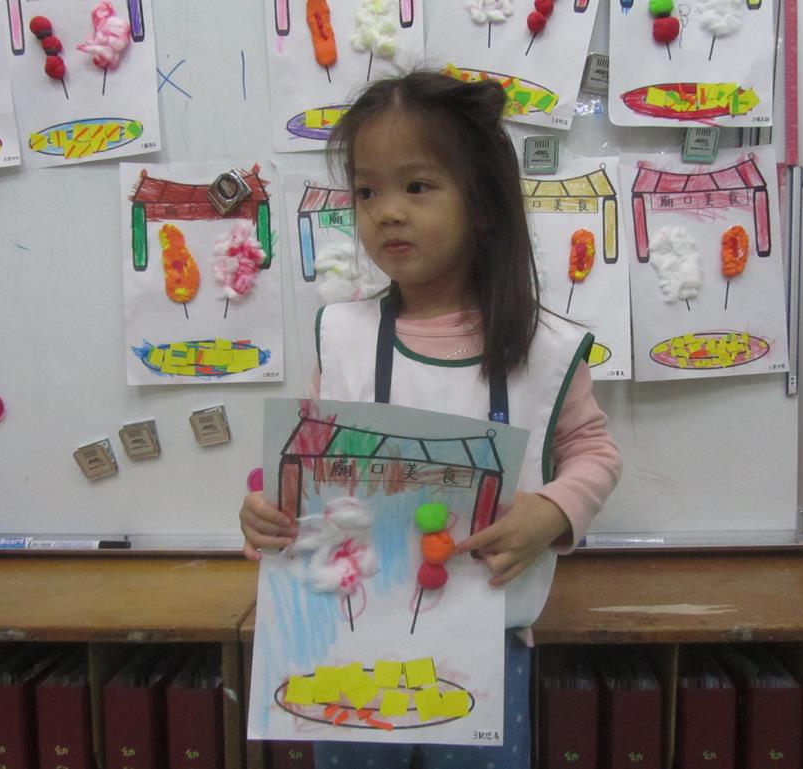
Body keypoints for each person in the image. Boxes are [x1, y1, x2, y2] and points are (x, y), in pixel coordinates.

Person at [239, 70, 622, 769]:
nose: (387, 212)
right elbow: (306, 459)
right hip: (349, 642)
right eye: (366, 191)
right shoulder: (343, 335)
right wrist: (268, 510)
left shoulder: (544, 346)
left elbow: (593, 450)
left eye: (416, 186)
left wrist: (553, 512)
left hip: (485, 642)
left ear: (483, 204)